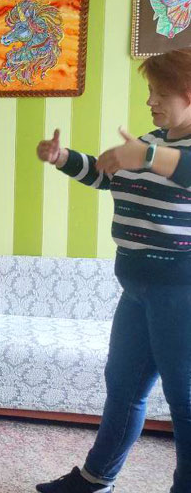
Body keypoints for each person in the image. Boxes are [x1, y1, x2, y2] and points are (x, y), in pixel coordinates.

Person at [34, 49, 191, 492]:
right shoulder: (150, 142)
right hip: (137, 288)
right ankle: (95, 479)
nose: (150, 101)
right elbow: (108, 175)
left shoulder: (156, 150)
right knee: (122, 389)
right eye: (150, 92)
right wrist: (63, 157)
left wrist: (147, 155)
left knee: (185, 402)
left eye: (160, 94)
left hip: (181, 293)